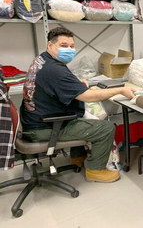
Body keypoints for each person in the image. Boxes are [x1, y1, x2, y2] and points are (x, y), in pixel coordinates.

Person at [20, 27, 135, 183]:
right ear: (50, 45)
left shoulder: (43, 60)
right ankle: (95, 170)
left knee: (76, 115)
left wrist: (76, 85)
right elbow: (87, 97)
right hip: (43, 128)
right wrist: (120, 90)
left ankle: (77, 158)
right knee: (106, 128)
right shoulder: (55, 69)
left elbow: (56, 85)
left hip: (34, 120)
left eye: (72, 46)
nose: (69, 49)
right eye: (63, 45)